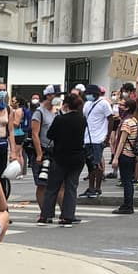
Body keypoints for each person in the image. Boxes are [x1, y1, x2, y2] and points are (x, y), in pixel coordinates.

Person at [38, 92, 87, 226]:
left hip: (60, 156)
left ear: (65, 105)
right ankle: (67, 216)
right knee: (71, 187)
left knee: (52, 187)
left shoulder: (60, 119)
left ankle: (46, 215)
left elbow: (50, 135)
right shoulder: (82, 119)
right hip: (77, 157)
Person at [80, 85, 116, 199]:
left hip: (98, 138)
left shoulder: (103, 103)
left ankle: (97, 188)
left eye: (89, 94)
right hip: (88, 138)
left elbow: (110, 119)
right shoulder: (87, 104)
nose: (88, 96)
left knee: (97, 164)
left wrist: (107, 137)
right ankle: (91, 187)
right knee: (90, 165)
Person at [30, 85, 60, 208]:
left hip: (55, 151)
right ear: (48, 96)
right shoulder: (39, 112)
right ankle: (44, 211)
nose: (58, 98)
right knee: (42, 184)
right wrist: (39, 154)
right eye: (56, 95)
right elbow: (35, 134)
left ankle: (52, 209)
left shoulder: (58, 112)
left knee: (56, 183)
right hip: (43, 151)